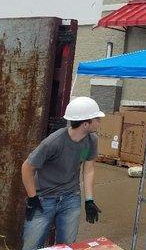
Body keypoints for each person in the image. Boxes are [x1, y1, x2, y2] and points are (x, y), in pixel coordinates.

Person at [21, 97, 104, 250]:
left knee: (66, 245)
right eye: (97, 118)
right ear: (86, 123)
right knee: (31, 246)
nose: (100, 121)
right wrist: (32, 198)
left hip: (71, 198)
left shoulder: (91, 140)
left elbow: (88, 169)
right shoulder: (54, 142)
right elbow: (27, 168)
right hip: (43, 199)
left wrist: (89, 200)